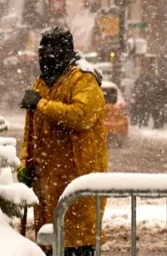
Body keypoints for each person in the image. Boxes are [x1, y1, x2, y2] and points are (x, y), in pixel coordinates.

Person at [19, 27, 108, 256]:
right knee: (51, 243)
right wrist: (24, 164)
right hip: (46, 186)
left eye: (52, 51)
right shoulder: (41, 83)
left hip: (77, 184)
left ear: (66, 51)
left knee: (76, 243)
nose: (46, 57)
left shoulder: (83, 79)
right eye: (43, 51)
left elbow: (82, 116)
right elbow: (31, 133)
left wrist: (41, 104)